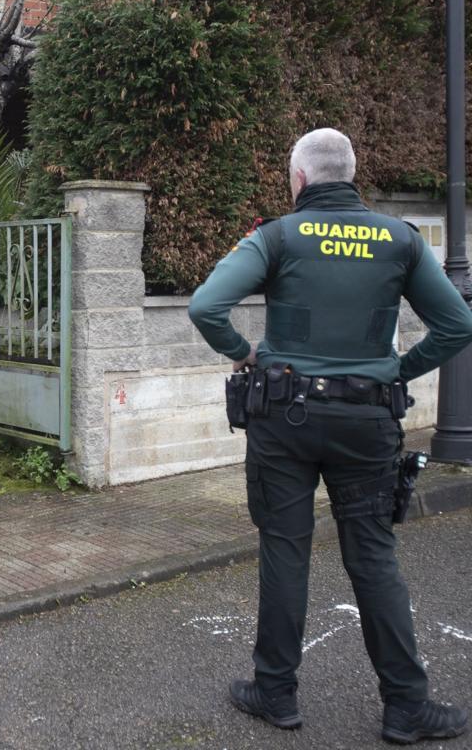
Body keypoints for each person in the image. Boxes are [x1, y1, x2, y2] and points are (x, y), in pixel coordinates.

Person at [188, 128, 472, 744]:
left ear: (299, 179)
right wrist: (396, 371)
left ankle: (276, 693)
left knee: (285, 551)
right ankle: (406, 707)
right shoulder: (400, 240)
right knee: (372, 557)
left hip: (283, 421)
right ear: (349, 173)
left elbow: (206, 306)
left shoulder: (278, 236)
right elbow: (456, 325)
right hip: (368, 423)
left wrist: (245, 356)